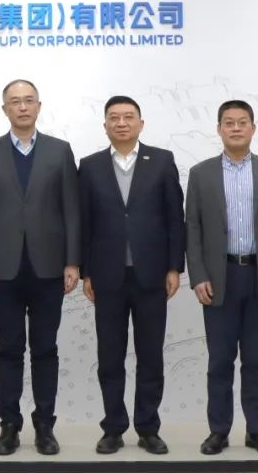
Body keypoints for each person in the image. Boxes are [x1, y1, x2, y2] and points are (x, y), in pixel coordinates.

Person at [0, 79, 81, 456]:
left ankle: (45, 426)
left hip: (49, 267)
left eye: (28, 100)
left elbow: (71, 210)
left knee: (45, 349)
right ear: (5, 109)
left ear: (38, 106)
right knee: (9, 349)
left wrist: (73, 260)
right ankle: (9, 426)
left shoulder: (60, 151)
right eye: (14, 102)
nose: (22, 107)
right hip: (3, 268)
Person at [185, 99, 258, 456]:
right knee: (219, 361)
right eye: (229, 122)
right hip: (218, 279)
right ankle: (218, 431)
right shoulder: (200, 173)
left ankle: (257, 431)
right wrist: (198, 275)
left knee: (256, 360)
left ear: (253, 128)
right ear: (219, 129)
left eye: (242, 122)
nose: (236, 128)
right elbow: (193, 229)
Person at [78, 96, 184, 455]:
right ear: (105, 125)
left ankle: (148, 428)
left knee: (150, 356)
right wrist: (86, 272)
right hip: (106, 276)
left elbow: (175, 217)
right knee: (110, 357)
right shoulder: (90, 165)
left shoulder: (162, 160)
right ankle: (113, 428)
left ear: (141, 123)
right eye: (114, 118)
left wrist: (174, 266)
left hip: (151, 275)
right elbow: (84, 222)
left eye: (128, 117)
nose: (121, 123)